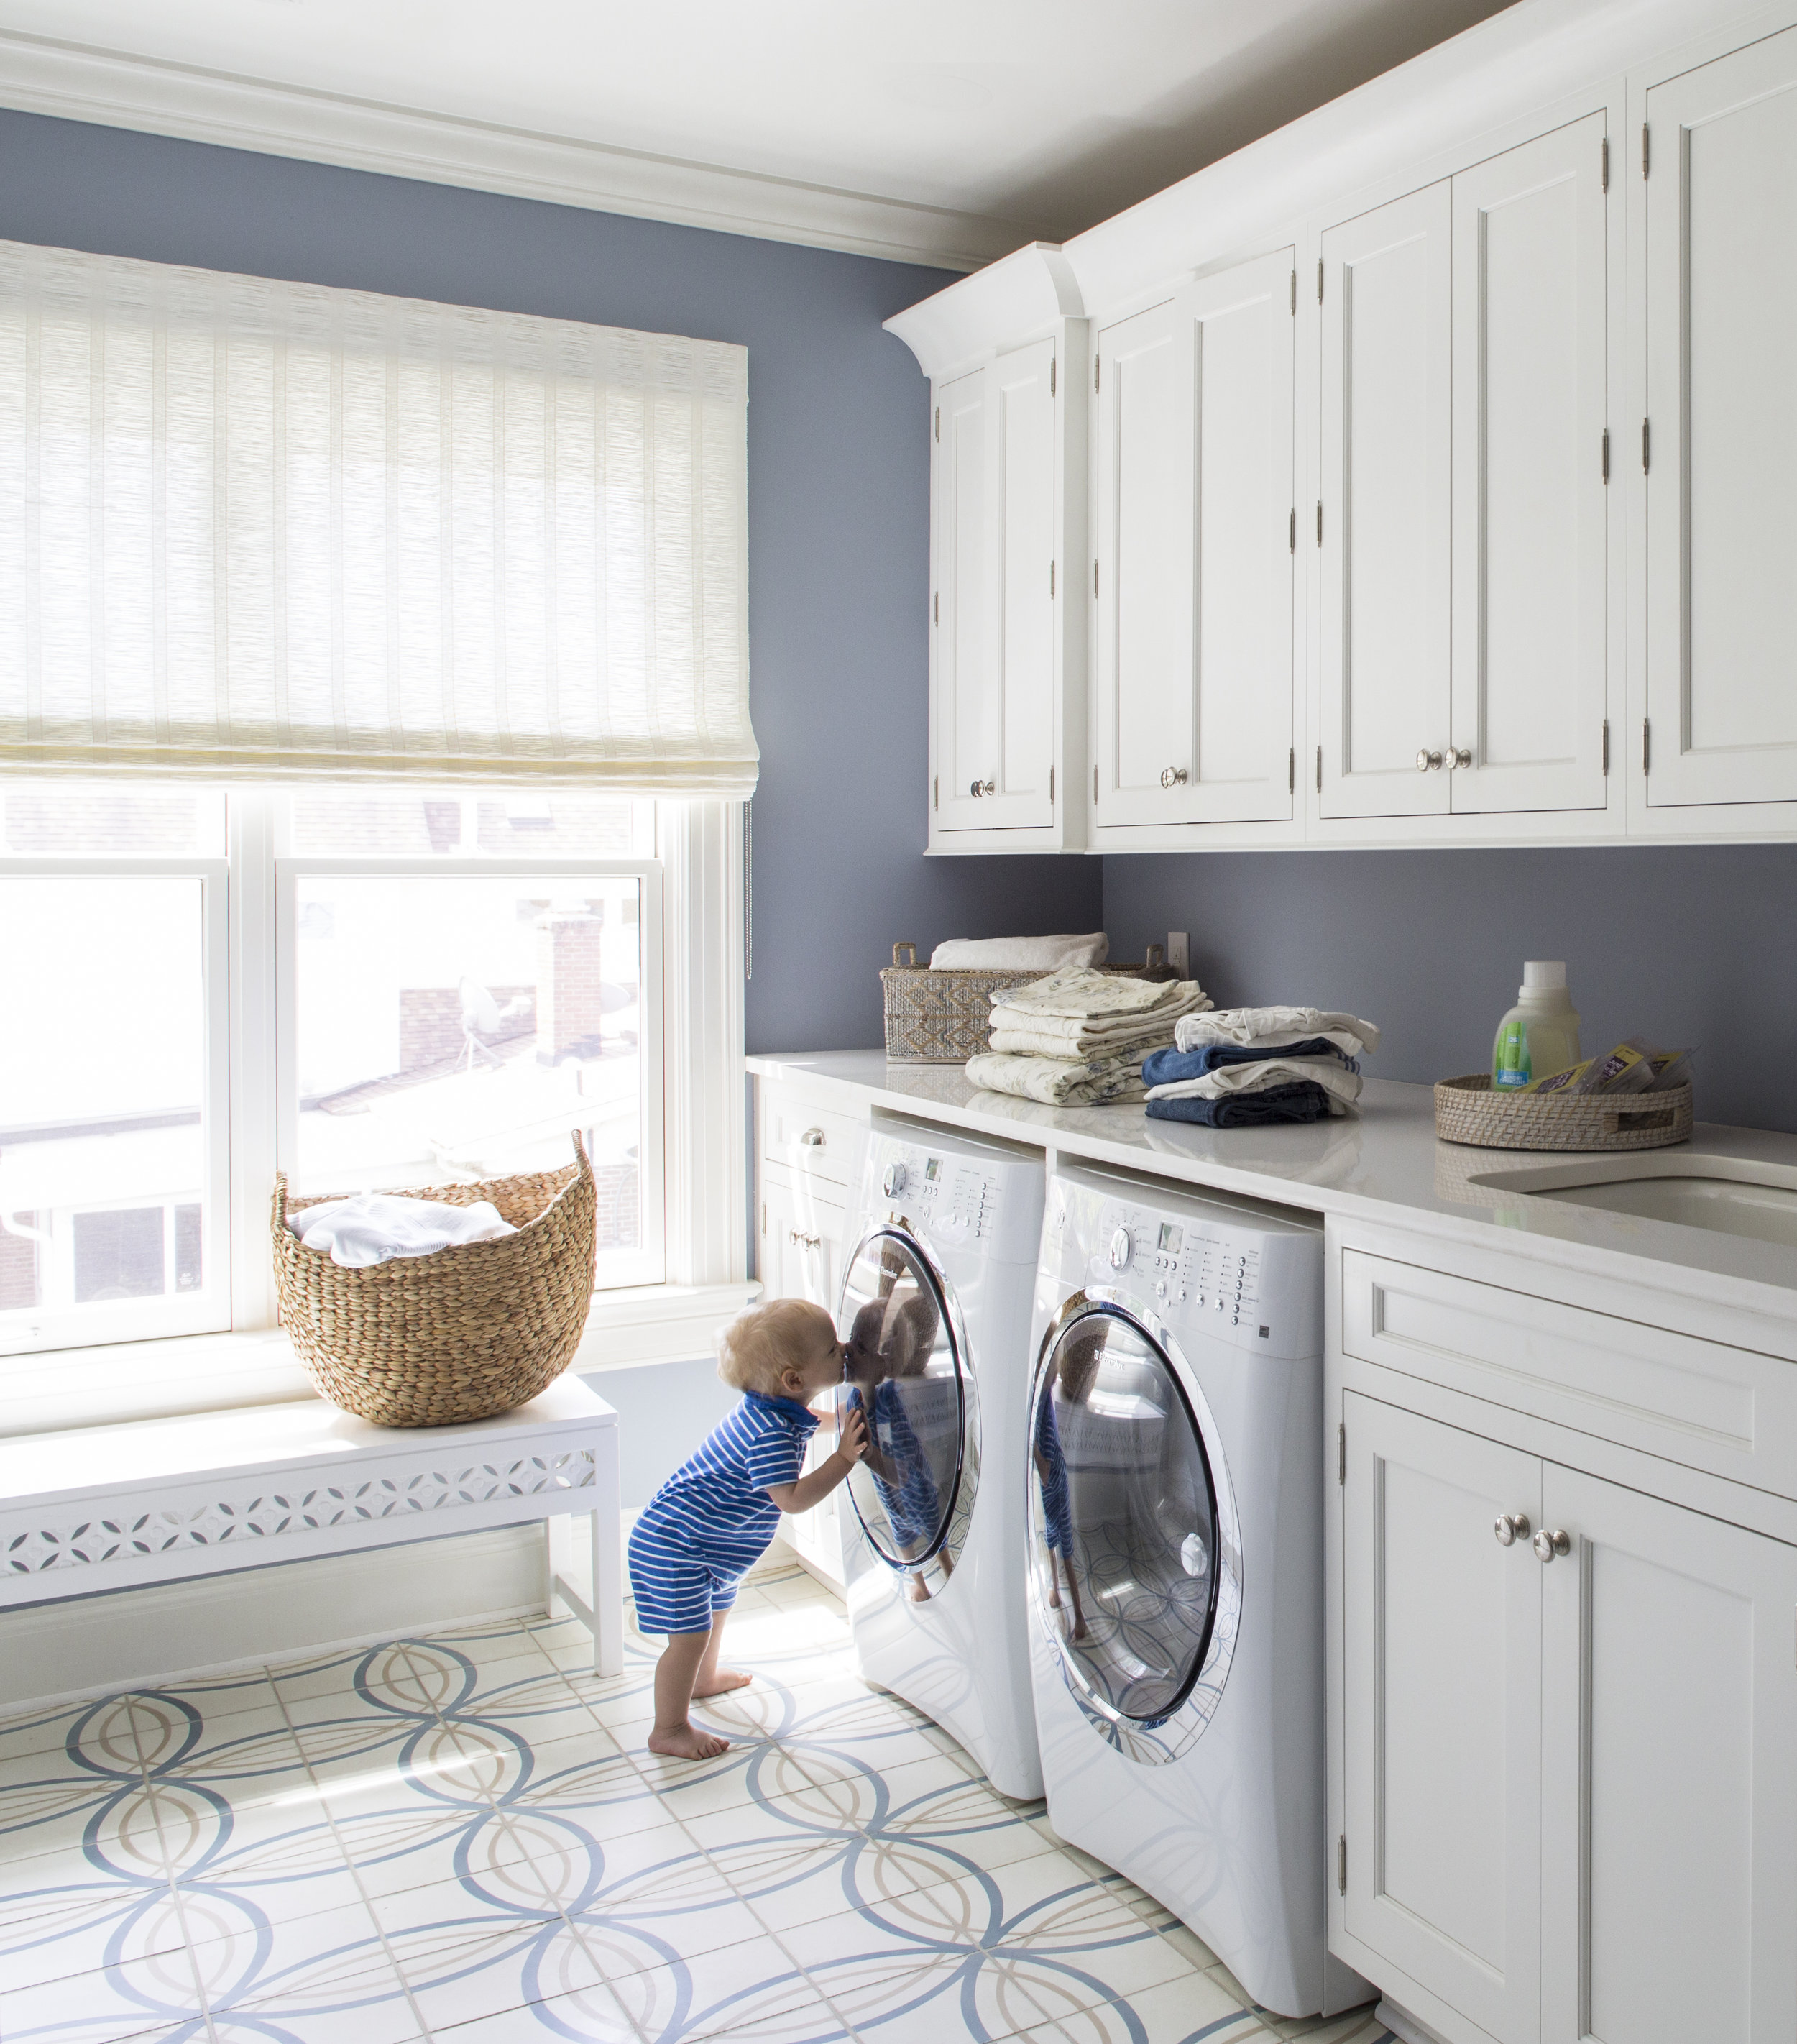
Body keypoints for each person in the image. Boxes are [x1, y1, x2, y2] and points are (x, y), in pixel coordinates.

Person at [626, 1297, 866, 1760]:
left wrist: (839, 1424)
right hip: (677, 1543)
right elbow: (793, 1500)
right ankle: (669, 1728)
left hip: (704, 1543)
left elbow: (808, 1421)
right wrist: (844, 1458)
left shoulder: (775, 1410)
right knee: (689, 1636)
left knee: (717, 1610)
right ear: (794, 1380)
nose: (844, 1349)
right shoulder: (769, 1433)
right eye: (832, 1350)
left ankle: (703, 1680)